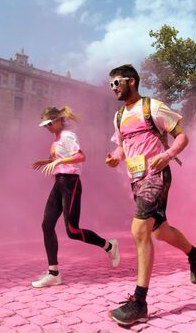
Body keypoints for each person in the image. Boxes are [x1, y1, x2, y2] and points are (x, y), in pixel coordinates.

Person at [104, 64, 196, 325]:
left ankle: (139, 303)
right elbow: (124, 148)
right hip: (136, 180)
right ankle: (194, 253)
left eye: (118, 82)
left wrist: (168, 154)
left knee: (139, 230)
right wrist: (115, 158)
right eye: (111, 84)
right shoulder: (119, 117)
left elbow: (182, 137)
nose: (114, 87)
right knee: (159, 231)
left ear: (132, 82)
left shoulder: (153, 107)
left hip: (156, 176)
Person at [31, 106, 120, 288]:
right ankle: (53, 273)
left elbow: (80, 156)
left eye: (48, 124)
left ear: (56, 121)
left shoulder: (67, 135)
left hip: (70, 183)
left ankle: (109, 246)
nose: (47, 128)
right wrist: (47, 161)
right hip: (59, 182)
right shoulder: (58, 138)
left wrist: (57, 161)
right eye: (45, 125)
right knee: (47, 225)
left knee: (72, 230)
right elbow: (62, 158)